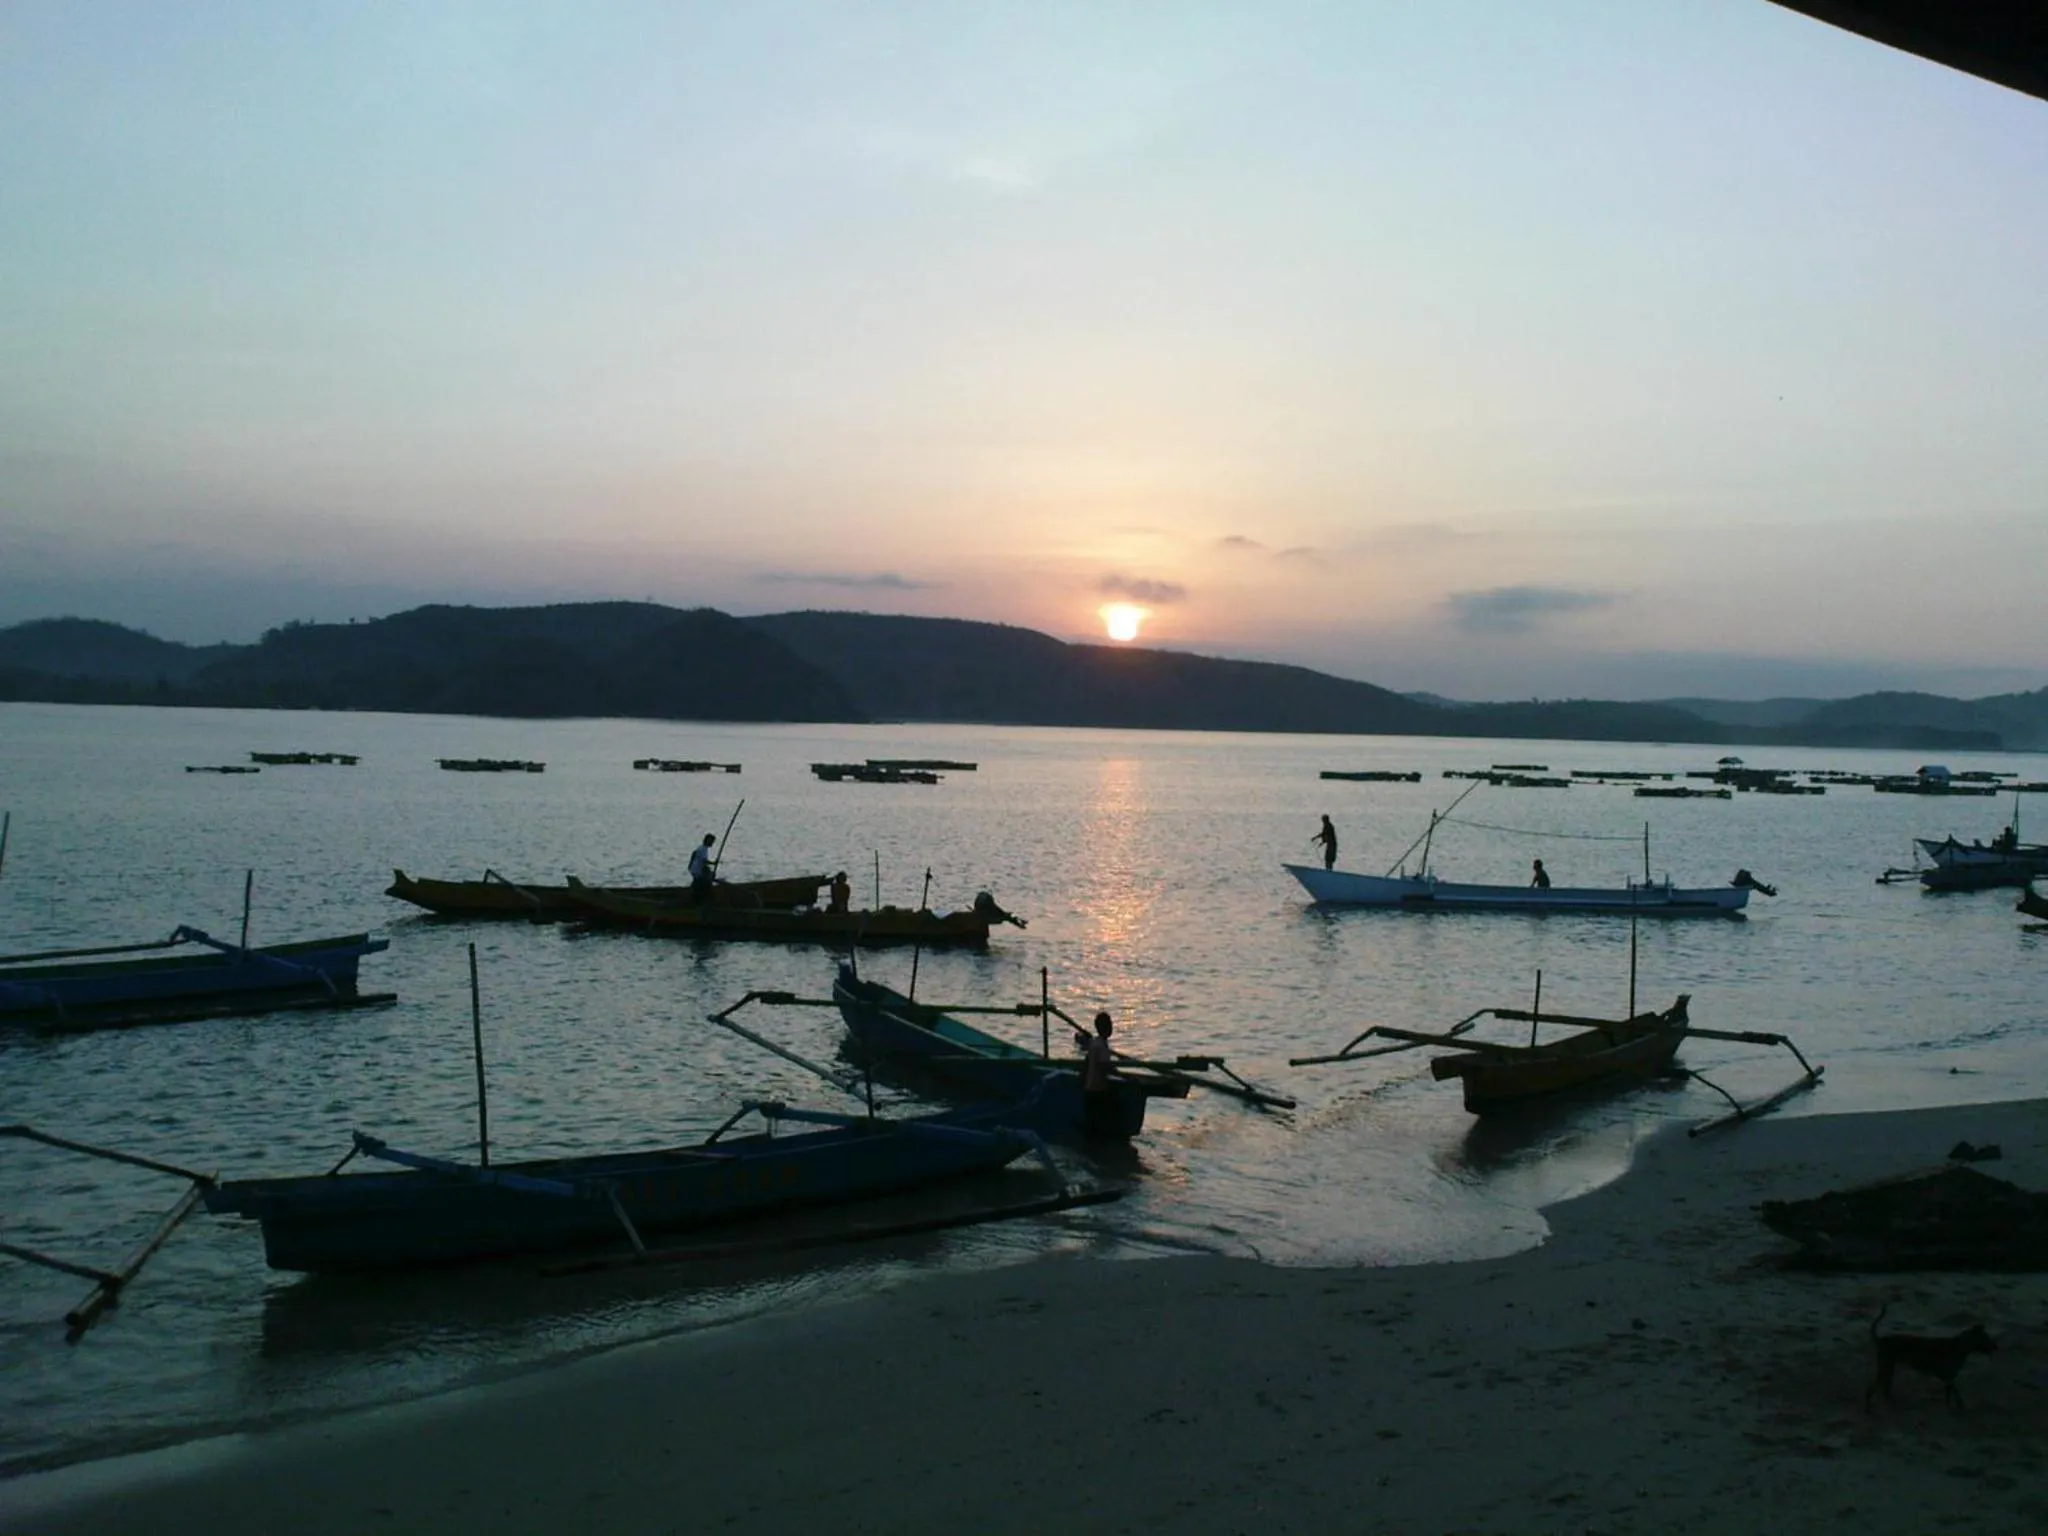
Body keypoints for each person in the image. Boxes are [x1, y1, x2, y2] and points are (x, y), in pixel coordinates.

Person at [1077, 1010, 1121, 1138]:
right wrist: (1121, 1075)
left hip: (1089, 1089)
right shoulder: (1101, 1046)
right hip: (1098, 1090)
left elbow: (1087, 1063)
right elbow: (1104, 1067)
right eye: (1109, 1025)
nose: (1111, 1027)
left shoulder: (1095, 1043)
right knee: (1098, 1120)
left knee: (1091, 1120)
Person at [688, 833, 717, 902]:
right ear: (707, 841)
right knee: (704, 883)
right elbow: (704, 861)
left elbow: (694, 854)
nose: (712, 843)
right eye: (711, 842)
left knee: (700, 882)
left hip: (695, 870)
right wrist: (713, 863)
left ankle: (695, 894)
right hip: (697, 870)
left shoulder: (702, 848)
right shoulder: (703, 849)